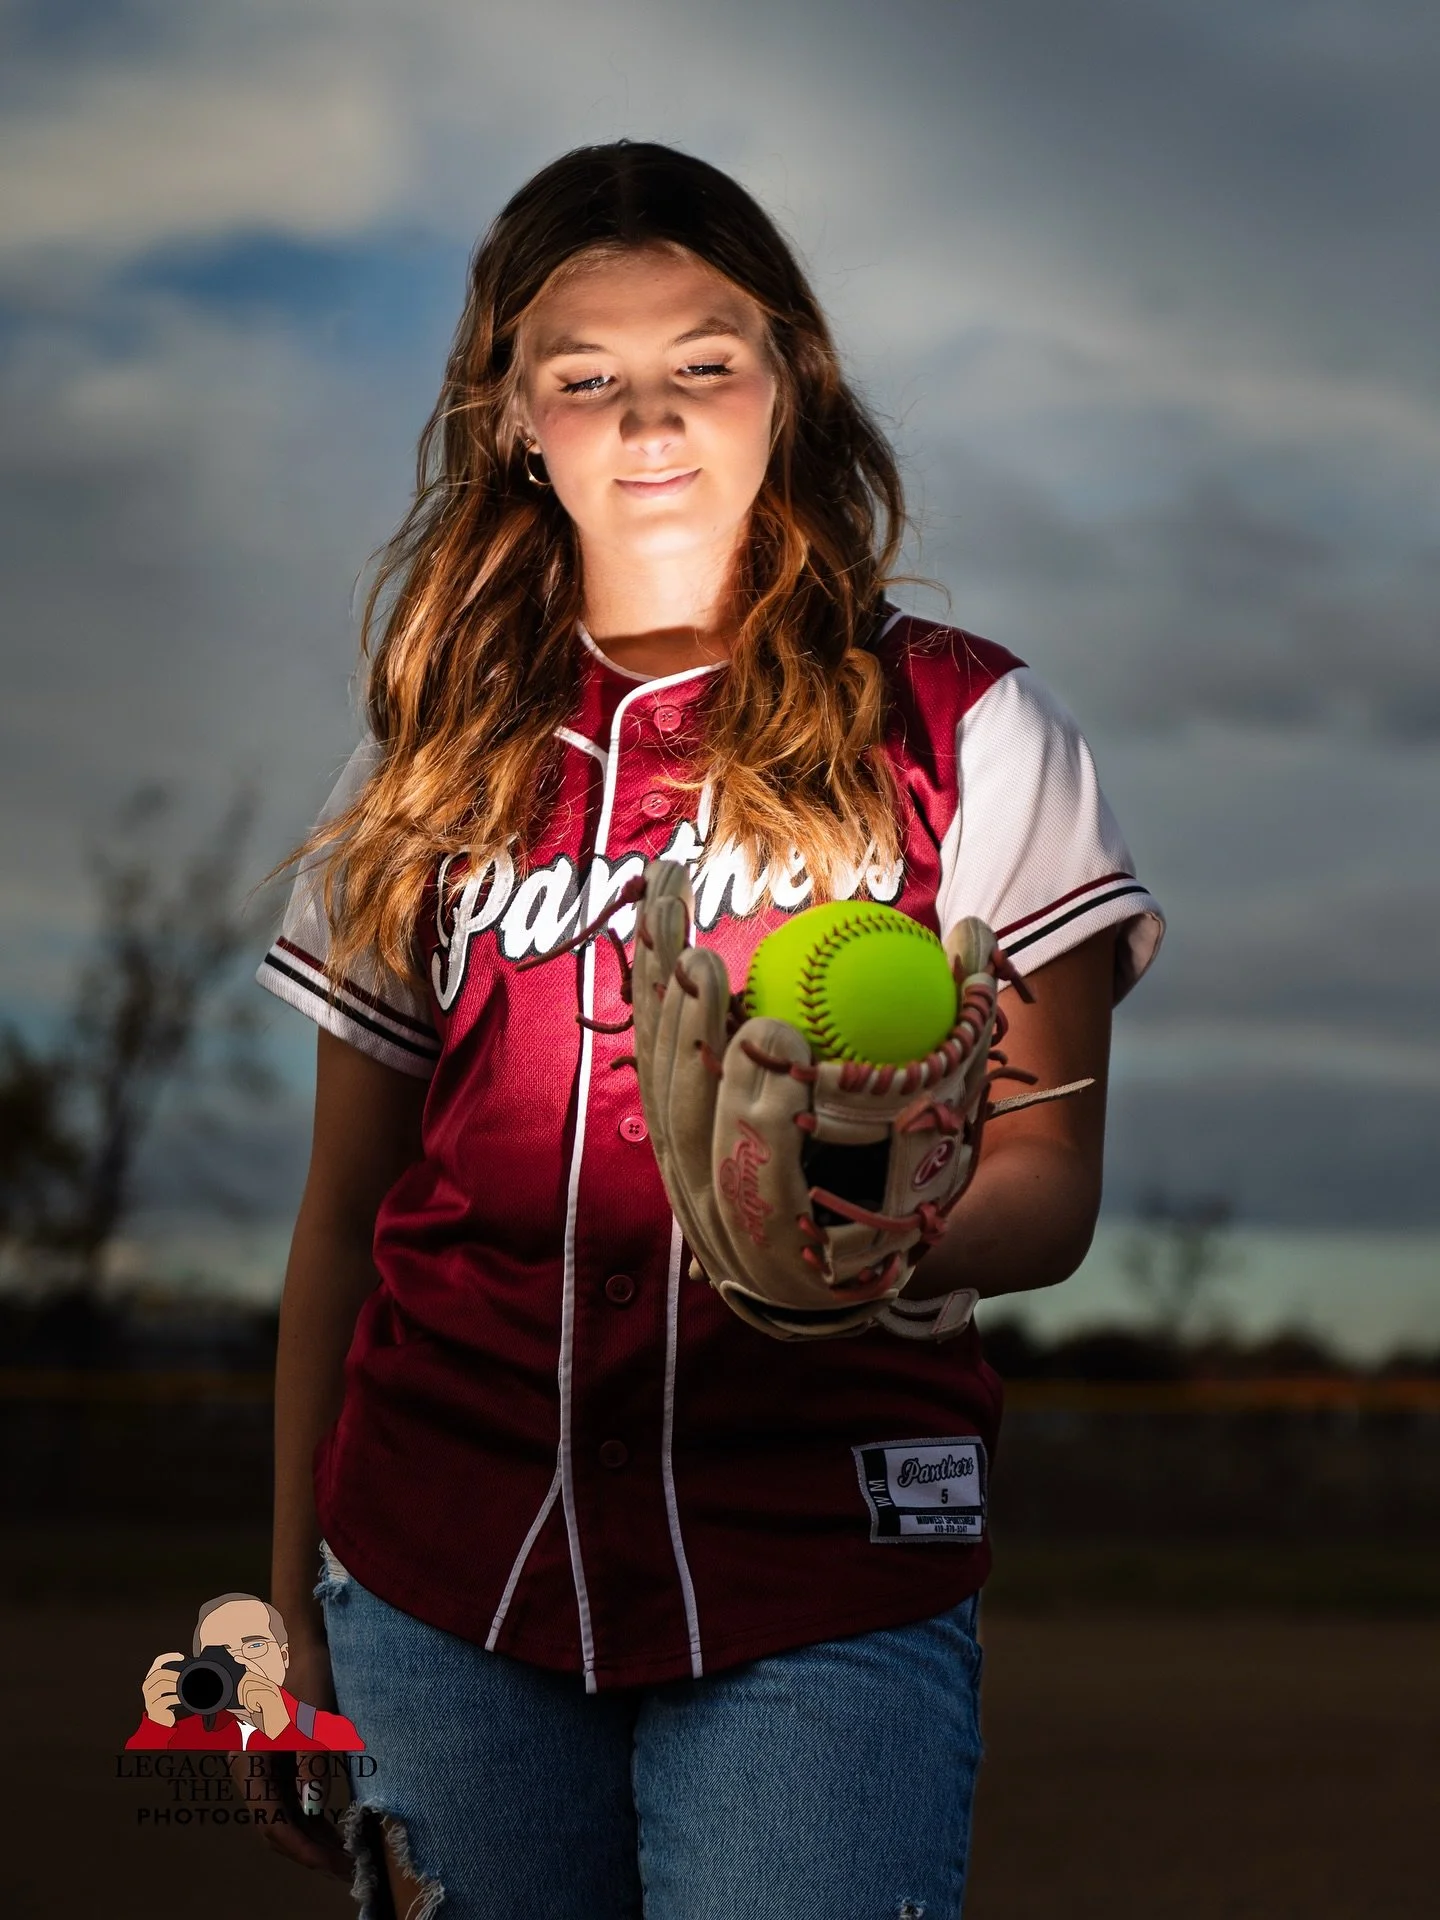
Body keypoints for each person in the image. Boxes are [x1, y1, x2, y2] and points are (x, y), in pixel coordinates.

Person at [254, 140, 1163, 1920]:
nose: (648, 415)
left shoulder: (968, 726)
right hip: (442, 1561)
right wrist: (280, 1609)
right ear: (511, 417)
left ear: (790, 380)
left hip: (821, 1556)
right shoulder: (424, 765)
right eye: (585, 375)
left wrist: (876, 1242)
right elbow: (345, 1214)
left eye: (703, 360)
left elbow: (1050, 1171)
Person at [126, 1591, 364, 1751]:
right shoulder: (200, 1730)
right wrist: (158, 1724)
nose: (239, 1663)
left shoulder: (325, 1725)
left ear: (285, 1656)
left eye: (254, 1646)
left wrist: (281, 1728)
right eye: (219, 1655)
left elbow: (354, 1746)